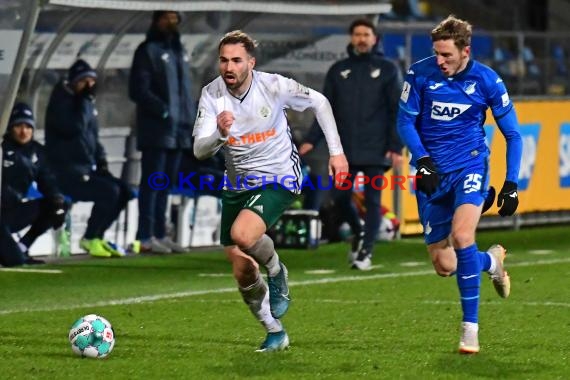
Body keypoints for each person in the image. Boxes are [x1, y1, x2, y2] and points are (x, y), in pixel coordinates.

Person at [193, 30, 348, 352]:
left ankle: (277, 270)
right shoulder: (212, 95)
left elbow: (320, 102)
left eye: (236, 60)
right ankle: (274, 331)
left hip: (279, 176)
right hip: (237, 185)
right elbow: (199, 150)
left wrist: (336, 152)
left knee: (244, 235)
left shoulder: (274, 86)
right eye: (223, 60)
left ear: (251, 62)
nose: (228, 66)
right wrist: (221, 134)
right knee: (241, 267)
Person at [396, 15, 522, 354]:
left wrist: (511, 183)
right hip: (431, 174)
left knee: (463, 236)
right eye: (437, 53)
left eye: (447, 55)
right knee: (445, 265)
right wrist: (422, 160)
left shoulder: (487, 81)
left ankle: (470, 330)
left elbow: (512, 134)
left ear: (466, 51)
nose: (440, 61)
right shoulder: (421, 73)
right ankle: (491, 262)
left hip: (470, 165)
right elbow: (405, 122)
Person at [299, 18, 403, 271]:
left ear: (374, 38)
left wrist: (395, 146)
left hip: (377, 149)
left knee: (373, 199)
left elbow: (396, 110)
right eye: (357, 34)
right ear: (351, 38)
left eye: (366, 34)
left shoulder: (388, 69)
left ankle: (366, 252)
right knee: (340, 197)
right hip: (344, 150)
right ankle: (357, 233)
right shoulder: (338, 70)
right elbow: (326, 110)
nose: (361, 39)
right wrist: (312, 140)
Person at [45, 59, 135, 258]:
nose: (89, 85)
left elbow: (92, 137)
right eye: (84, 81)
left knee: (125, 191)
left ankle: (97, 236)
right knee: (109, 191)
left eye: (92, 81)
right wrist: (85, 102)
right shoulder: (62, 102)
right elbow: (73, 128)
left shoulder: (84, 103)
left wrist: (101, 160)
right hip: (65, 174)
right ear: (73, 81)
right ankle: (89, 237)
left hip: (85, 170)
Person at [129, 10, 194, 253]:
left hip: (180, 129)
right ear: (156, 21)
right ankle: (145, 236)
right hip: (158, 128)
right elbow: (138, 90)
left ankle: (159, 233)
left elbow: (184, 91)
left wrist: (188, 116)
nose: (172, 22)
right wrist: (164, 111)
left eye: (175, 17)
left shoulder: (179, 51)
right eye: (166, 17)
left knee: (165, 183)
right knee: (152, 182)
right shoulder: (147, 51)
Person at [0, 102, 69, 267]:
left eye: (28, 126)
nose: (24, 131)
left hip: (13, 211)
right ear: (10, 127)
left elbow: (48, 181)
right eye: (18, 126)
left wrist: (57, 201)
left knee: (58, 204)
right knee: (14, 262)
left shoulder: (37, 152)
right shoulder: (2, 148)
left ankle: (22, 247)